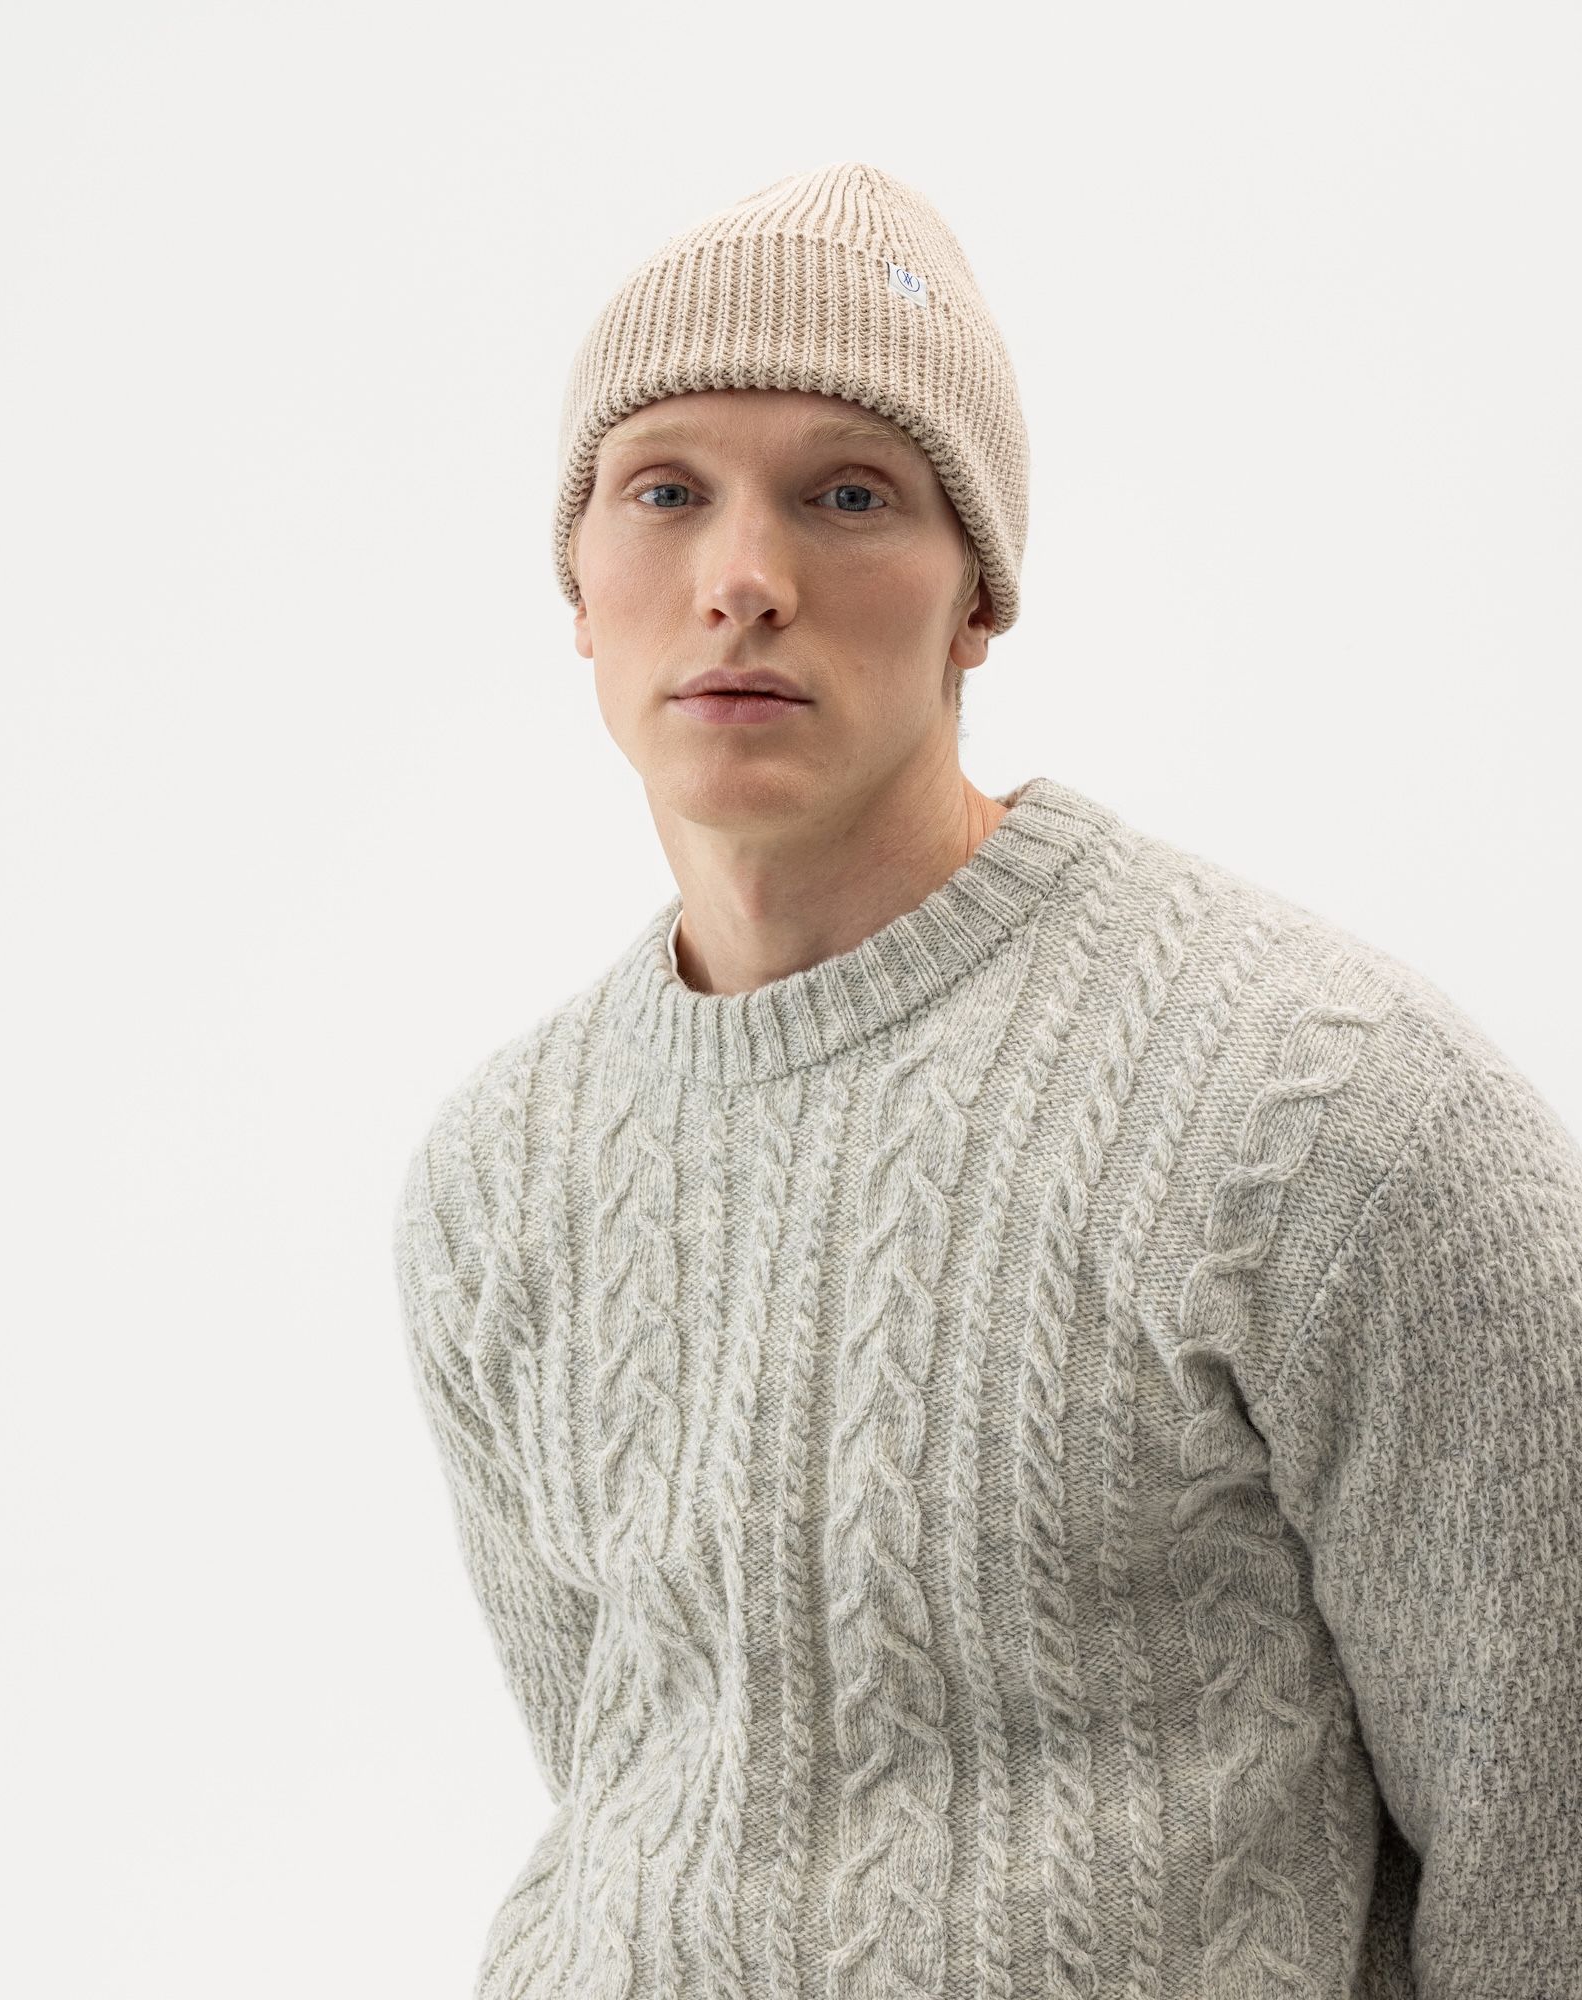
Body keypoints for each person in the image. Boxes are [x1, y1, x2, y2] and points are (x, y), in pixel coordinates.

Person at [392, 161, 1581, 1999]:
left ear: (978, 602)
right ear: (579, 586)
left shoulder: (1333, 1122)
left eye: (850, 494)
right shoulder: (497, 1172)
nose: (743, 581)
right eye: (666, 491)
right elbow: (629, 1784)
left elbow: (1548, 1865)